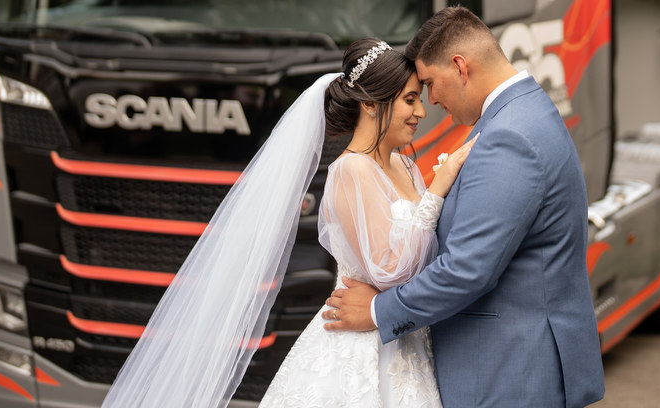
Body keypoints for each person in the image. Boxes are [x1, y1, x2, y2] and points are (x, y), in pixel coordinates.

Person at [100, 38, 472, 408]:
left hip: (404, 338)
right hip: (365, 349)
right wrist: (437, 190)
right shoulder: (352, 170)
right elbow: (389, 270)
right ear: (371, 103)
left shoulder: (404, 165)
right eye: (410, 99)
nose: (420, 112)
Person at [323, 6, 606, 408]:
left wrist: (376, 310)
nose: (431, 101)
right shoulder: (527, 110)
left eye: (429, 84)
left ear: (460, 67)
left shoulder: (509, 136)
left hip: (511, 371)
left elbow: (468, 268)